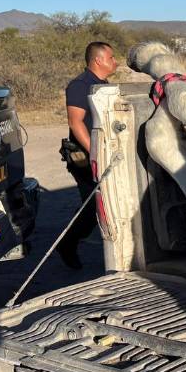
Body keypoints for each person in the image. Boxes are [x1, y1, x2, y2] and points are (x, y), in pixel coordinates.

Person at [56, 41, 117, 269]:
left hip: (103, 153)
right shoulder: (80, 86)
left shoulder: (101, 84)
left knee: (108, 202)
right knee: (92, 207)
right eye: (111, 58)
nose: (115, 61)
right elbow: (76, 122)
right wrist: (94, 151)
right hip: (85, 158)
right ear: (98, 60)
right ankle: (67, 244)